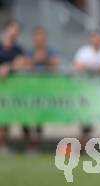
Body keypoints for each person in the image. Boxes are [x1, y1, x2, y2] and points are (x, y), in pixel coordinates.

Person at [23, 26, 60, 152]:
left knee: (39, 118)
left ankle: (36, 144)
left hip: (44, 89)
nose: (39, 40)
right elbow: (25, 64)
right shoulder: (29, 51)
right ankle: (29, 144)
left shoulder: (50, 51)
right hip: (29, 89)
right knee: (24, 116)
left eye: (42, 38)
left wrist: (42, 60)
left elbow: (55, 63)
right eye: (37, 37)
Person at [73, 31, 100, 150]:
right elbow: (77, 66)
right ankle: (83, 144)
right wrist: (97, 68)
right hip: (86, 89)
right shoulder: (83, 51)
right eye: (94, 38)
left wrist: (89, 67)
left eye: (98, 38)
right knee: (85, 118)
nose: (96, 41)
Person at [0, 20, 29, 154]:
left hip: (11, 89)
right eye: (13, 28)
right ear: (7, 29)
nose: (16, 32)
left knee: (6, 118)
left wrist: (9, 67)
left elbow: (25, 63)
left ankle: (4, 146)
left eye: (17, 29)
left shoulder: (18, 49)